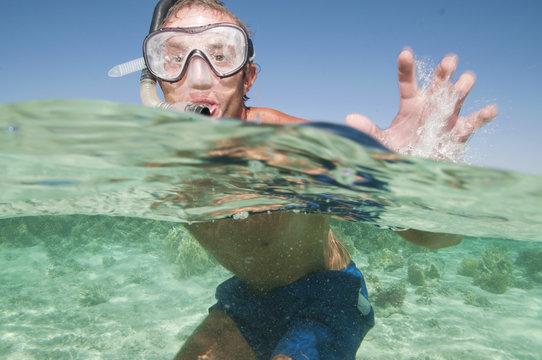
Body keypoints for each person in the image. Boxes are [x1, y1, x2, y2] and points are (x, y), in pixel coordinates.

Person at [136, 1, 498, 359]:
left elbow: (444, 238)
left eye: (221, 54)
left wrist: (408, 182)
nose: (198, 76)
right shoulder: (154, 160)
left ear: (248, 76)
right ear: (157, 78)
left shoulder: (290, 145)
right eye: (174, 56)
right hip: (252, 296)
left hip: (327, 291)